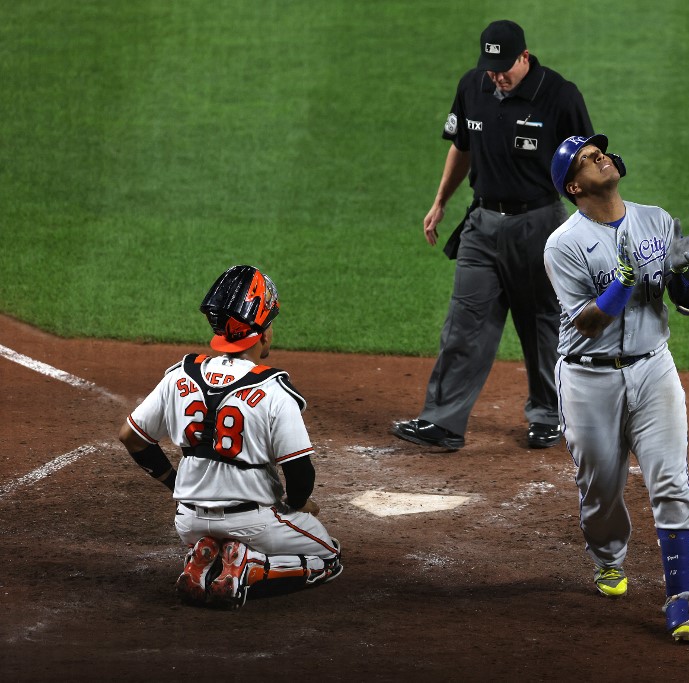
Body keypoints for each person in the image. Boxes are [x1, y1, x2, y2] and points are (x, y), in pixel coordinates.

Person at [391, 19, 594, 451]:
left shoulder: (560, 96)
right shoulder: (472, 87)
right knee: (464, 323)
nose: (497, 75)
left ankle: (549, 415)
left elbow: (586, 162)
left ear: (525, 56)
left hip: (539, 225)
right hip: (481, 224)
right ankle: (442, 420)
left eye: (505, 66)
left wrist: (594, 227)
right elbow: (461, 147)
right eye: (490, 66)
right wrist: (440, 200)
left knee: (541, 323)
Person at [544, 134, 689, 642]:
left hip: (653, 367)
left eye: (601, 152)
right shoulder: (564, 245)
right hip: (588, 375)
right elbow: (588, 324)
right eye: (587, 158)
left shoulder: (656, 219)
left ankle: (682, 598)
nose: (600, 156)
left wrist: (681, 273)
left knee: (670, 481)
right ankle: (608, 558)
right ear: (574, 186)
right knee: (600, 487)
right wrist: (622, 281)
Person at [117, 265, 342, 609]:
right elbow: (300, 474)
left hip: (189, 520)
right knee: (329, 558)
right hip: (253, 522)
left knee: (207, 524)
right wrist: (299, 505)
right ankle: (252, 567)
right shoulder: (274, 389)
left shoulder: (181, 375)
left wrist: (173, 481)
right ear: (264, 333)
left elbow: (131, 436)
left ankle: (206, 555)